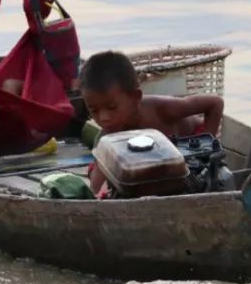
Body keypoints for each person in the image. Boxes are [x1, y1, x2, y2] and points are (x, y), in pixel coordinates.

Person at [79, 50, 224, 194]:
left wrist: (204, 151)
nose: (104, 118)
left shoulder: (163, 109)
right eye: (94, 110)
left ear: (136, 97)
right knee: (99, 167)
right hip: (154, 161)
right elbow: (95, 188)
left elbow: (215, 103)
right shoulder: (108, 135)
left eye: (112, 107)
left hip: (186, 146)